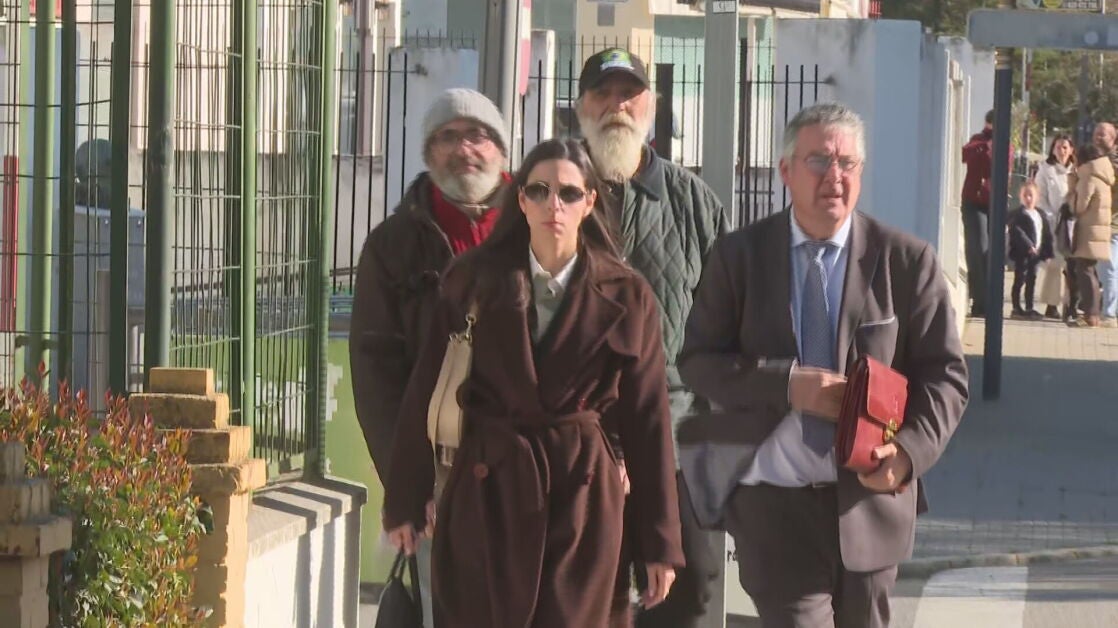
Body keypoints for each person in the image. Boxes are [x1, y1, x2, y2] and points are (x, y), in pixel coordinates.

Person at [677, 102, 969, 628]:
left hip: (869, 501)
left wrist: (909, 453)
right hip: (773, 507)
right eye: (818, 161)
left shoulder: (905, 261)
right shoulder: (739, 257)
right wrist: (787, 385)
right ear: (785, 171)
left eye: (847, 163)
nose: (835, 176)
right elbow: (698, 362)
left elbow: (945, 376)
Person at [382, 139, 684, 628]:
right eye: (539, 191)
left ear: (589, 201)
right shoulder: (472, 281)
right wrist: (405, 500)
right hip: (487, 493)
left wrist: (659, 544)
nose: (553, 205)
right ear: (520, 199)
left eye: (568, 193)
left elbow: (648, 420)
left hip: (582, 501)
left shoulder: (628, 295)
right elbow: (426, 389)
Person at [575, 46, 730, 628]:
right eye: (602, 93)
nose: (616, 106)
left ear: (652, 105)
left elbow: (728, 327)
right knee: (589, 597)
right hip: (578, 440)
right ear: (580, 107)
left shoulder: (693, 203)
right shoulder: (555, 193)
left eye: (629, 94)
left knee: (689, 592)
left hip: (678, 439)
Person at [349, 87, 510, 626]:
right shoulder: (392, 247)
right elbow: (376, 378)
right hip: (440, 474)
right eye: (448, 137)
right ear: (427, 153)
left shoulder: (541, 227)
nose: (464, 149)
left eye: (478, 135)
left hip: (530, 465)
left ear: (501, 150)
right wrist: (406, 487)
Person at [1067, 142, 1114, 328]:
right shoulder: (1103, 176)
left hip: (1088, 232)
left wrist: (1072, 185)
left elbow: (1078, 207)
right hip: (1098, 231)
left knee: (1084, 272)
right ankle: (1092, 314)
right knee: (1090, 271)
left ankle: (1091, 315)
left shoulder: (1088, 178)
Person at [1034, 135, 1075, 320]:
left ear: (1071, 150)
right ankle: (1051, 305)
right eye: (1058, 147)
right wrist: (1049, 216)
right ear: (1053, 149)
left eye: (1065, 147)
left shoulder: (1077, 170)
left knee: (1072, 266)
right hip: (1053, 223)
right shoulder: (1046, 169)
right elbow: (1040, 196)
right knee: (1055, 265)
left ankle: (1070, 305)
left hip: (1073, 222)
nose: (1062, 151)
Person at [960, 110, 996, 318]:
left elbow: (996, 162)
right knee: (977, 248)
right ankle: (979, 301)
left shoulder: (1004, 144)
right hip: (973, 201)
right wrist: (986, 142)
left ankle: (989, 299)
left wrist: (987, 146)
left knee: (991, 252)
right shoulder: (977, 140)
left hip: (994, 203)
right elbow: (966, 154)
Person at [1008, 180, 1053, 320]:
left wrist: (1048, 253)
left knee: (1031, 280)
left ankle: (1029, 307)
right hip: (1022, 254)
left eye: (1031, 195)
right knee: (1019, 279)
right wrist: (1028, 246)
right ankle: (1016, 307)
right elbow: (1017, 232)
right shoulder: (1018, 215)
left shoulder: (1040, 214)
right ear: (1020, 197)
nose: (1028, 198)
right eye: (1025, 195)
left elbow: (1046, 234)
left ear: (1037, 197)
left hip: (1036, 255)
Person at [1093, 123, 1118, 327]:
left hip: (1112, 222)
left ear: (1113, 138)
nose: (1097, 137)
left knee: (1108, 267)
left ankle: (1109, 314)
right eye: (1095, 134)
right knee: (1104, 268)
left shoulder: (1113, 161)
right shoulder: (1098, 159)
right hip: (1100, 221)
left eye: (1102, 135)